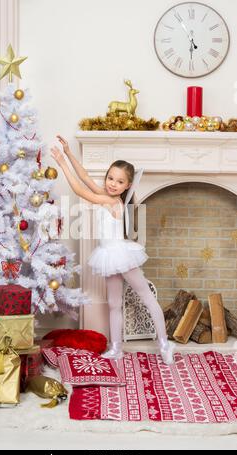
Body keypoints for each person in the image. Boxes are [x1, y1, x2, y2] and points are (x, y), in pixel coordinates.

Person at [50, 136, 175, 364]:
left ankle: (165, 344)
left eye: (119, 182)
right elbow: (86, 178)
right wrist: (69, 153)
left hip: (120, 254)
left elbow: (79, 189)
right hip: (108, 255)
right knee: (114, 304)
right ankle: (116, 348)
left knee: (146, 296)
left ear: (127, 186)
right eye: (110, 178)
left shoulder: (111, 202)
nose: (112, 184)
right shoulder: (106, 197)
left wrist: (62, 164)